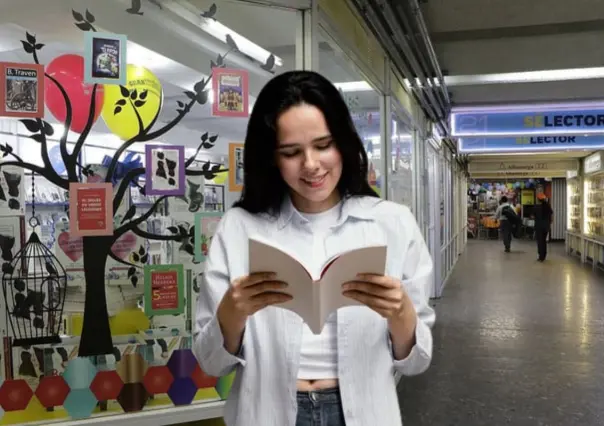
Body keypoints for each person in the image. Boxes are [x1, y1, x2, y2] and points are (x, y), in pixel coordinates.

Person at [193, 71, 435, 426]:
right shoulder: (240, 228)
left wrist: (401, 317)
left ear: (344, 143)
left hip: (361, 411)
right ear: (272, 158)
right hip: (269, 410)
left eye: (323, 145)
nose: (311, 165)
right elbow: (211, 363)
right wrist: (232, 313)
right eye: (291, 152)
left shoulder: (392, 224)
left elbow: (417, 362)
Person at [534, 193, 553, 262]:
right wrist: (548, 223)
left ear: (538, 199)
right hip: (546, 226)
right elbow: (551, 217)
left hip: (539, 226)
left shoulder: (536, 207)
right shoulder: (548, 206)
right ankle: (544, 255)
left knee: (540, 241)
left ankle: (541, 256)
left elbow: (533, 216)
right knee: (544, 241)